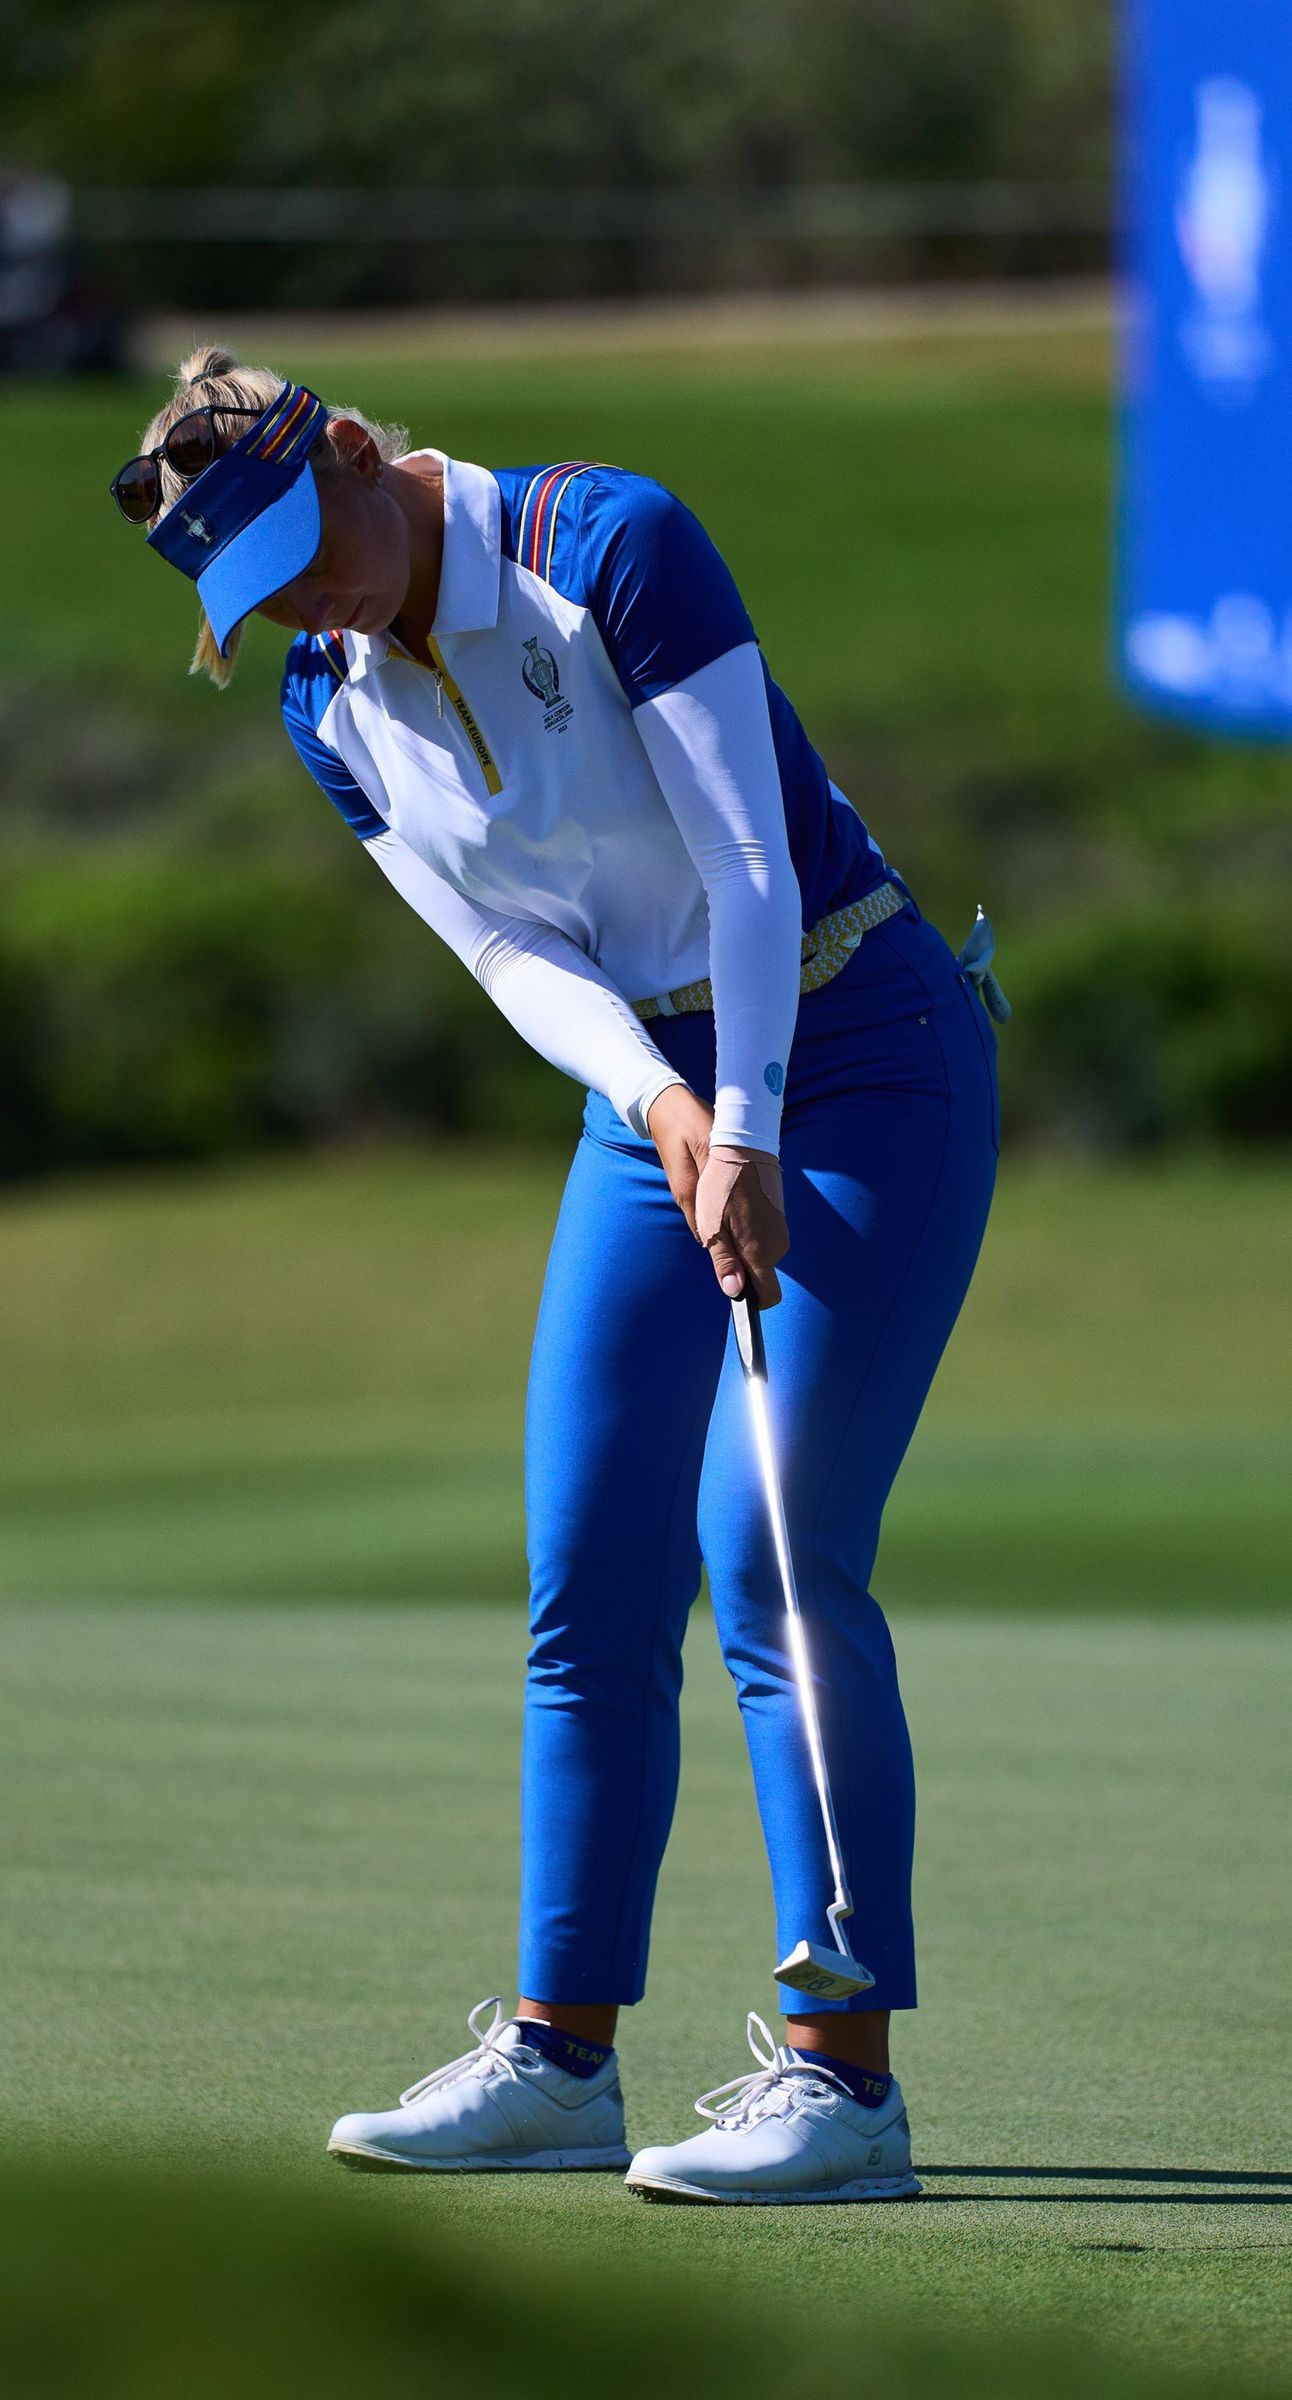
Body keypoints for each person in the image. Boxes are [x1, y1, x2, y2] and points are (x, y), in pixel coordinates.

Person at [115, 349, 1007, 2204]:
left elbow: (751, 858)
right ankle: (560, 2061)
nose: (301, 598)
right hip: (659, 1090)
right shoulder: (324, 702)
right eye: (255, 585)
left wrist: (746, 1118)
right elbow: (511, 953)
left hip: (852, 1042)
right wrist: (670, 1107)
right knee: (587, 1571)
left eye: (305, 543)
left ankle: (846, 2089)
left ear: (356, 452)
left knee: (767, 1549)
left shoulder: (602, 541)